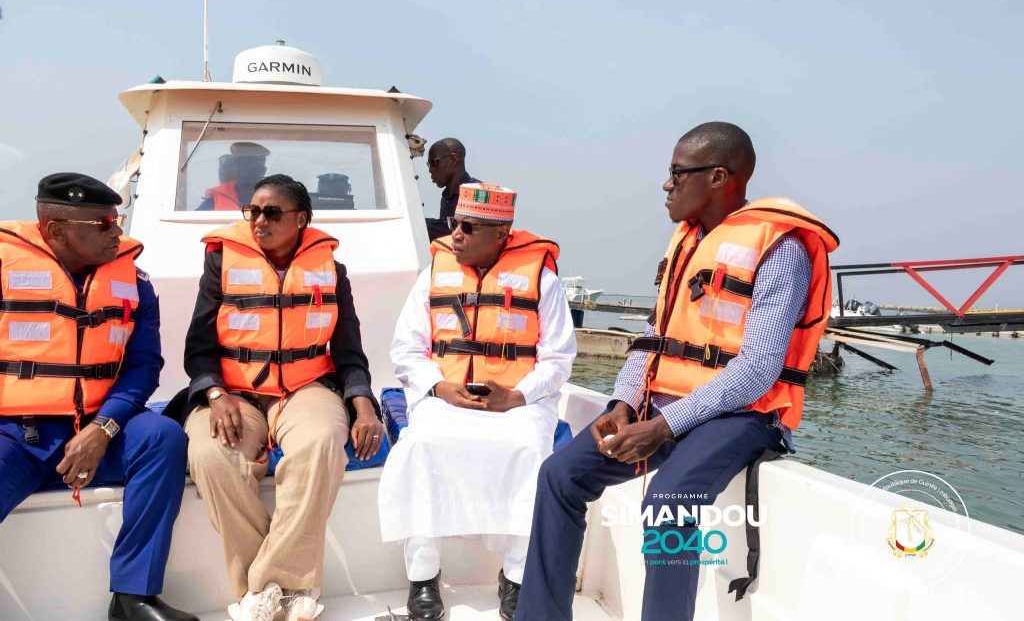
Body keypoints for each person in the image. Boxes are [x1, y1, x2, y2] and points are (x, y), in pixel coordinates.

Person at [515, 122, 840, 621]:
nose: (666, 185)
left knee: (669, 503)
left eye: (677, 173)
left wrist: (663, 426)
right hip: (663, 401)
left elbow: (757, 371)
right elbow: (654, 336)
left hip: (744, 414)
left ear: (718, 177)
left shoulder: (781, 250)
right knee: (560, 475)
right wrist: (623, 404)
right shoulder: (687, 241)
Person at [170, 174, 385, 621]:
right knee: (209, 455)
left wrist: (364, 405)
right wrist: (215, 394)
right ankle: (282, 588)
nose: (259, 221)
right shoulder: (221, 263)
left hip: (307, 389)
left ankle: (262, 588)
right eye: (253, 211)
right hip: (234, 393)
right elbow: (198, 349)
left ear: (301, 219)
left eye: (272, 212)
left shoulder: (332, 272)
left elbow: (349, 351)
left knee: (321, 442)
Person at [0, 173, 196, 620]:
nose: (116, 232)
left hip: (102, 425)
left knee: (162, 437)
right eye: (103, 223)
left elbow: (144, 365)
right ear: (56, 230)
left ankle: (132, 597)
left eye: (117, 220)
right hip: (14, 433)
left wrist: (103, 428)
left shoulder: (135, 282)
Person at [380, 182, 576, 621]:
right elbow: (406, 350)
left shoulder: (542, 280)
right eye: (455, 223)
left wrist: (517, 395)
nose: (456, 234)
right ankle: (423, 576)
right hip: (444, 397)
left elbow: (559, 359)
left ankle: (517, 577)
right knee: (420, 447)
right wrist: (439, 387)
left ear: (502, 234)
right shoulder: (432, 274)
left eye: (468, 227)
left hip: (520, 402)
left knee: (531, 453)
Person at [423, 137, 480, 241]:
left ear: (453, 160)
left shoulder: (476, 192)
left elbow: (464, 229)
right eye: (428, 164)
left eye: (433, 162)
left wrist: (417, 224)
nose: (430, 170)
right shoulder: (446, 197)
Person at [196, 142, 270, 211]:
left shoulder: (273, 197)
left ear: (263, 170)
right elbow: (195, 219)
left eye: (252, 166)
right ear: (235, 169)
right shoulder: (215, 199)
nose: (246, 169)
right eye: (241, 165)